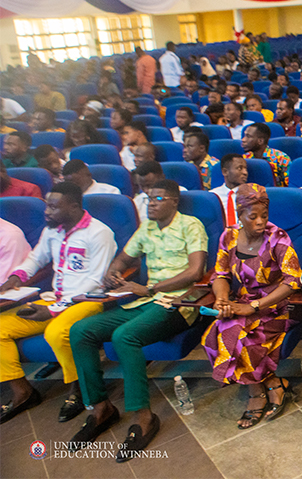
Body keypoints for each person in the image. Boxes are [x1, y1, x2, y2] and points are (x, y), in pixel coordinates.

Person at [69, 179, 207, 459]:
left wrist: (153, 288)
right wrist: (114, 272)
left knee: (124, 336)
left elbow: (195, 271)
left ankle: (143, 417)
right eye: (148, 198)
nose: (151, 203)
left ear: (174, 201)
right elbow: (123, 258)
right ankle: (100, 408)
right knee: (81, 331)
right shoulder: (146, 228)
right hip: (144, 301)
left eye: (157, 198)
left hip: (178, 303)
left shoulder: (191, 225)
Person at [0, 182, 117, 424]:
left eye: (53, 207)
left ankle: (78, 389)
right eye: (47, 206)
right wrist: (15, 278)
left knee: (57, 332)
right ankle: (23, 392)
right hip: (55, 299)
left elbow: (96, 282)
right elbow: (35, 258)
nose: (46, 212)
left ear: (74, 206)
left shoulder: (99, 233)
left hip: (88, 301)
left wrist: (52, 309)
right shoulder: (53, 230)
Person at [202, 184, 301, 429]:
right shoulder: (229, 236)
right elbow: (221, 274)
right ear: (239, 214)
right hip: (242, 302)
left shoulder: (277, 238)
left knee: (244, 340)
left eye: (264, 216)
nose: (259, 222)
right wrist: (222, 299)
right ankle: (271, 384)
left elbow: (292, 282)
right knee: (213, 336)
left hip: (276, 305)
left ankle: (258, 395)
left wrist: (255, 306)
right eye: (252, 216)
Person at [241, 122, 290, 187]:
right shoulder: (244, 158)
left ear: (260, 141)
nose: (243, 140)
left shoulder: (281, 158)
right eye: (244, 136)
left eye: (248, 136)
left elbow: (290, 186)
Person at [211, 154, 248, 227]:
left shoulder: (251, 195)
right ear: (225, 172)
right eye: (240, 168)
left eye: (245, 169)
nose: (245, 172)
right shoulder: (213, 196)